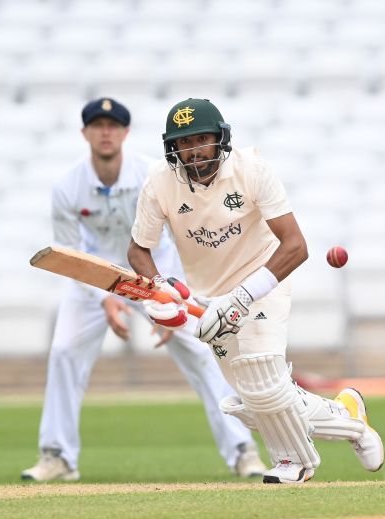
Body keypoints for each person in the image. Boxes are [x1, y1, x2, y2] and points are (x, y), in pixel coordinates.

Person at [127, 98, 385, 484]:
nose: (195, 150)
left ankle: (292, 463)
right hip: (208, 299)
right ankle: (350, 418)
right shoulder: (160, 182)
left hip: (264, 280)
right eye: (185, 143)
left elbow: (296, 246)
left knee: (261, 370)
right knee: (256, 394)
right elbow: (138, 249)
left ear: (220, 140)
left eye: (202, 139)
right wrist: (159, 291)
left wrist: (244, 296)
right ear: (172, 148)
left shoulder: (252, 170)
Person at [21, 97, 266, 482]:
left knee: (202, 349)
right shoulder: (68, 187)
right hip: (93, 279)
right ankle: (57, 456)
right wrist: (106, 299)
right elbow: (71, 255)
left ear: (125, 132)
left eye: (113, 126)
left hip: (154, 272)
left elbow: (175, 234)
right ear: (85, 133)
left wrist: (165, 298)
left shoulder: (149, 174)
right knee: (64, 350)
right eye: (98, 126)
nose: (106, 133)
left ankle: (242, 452)